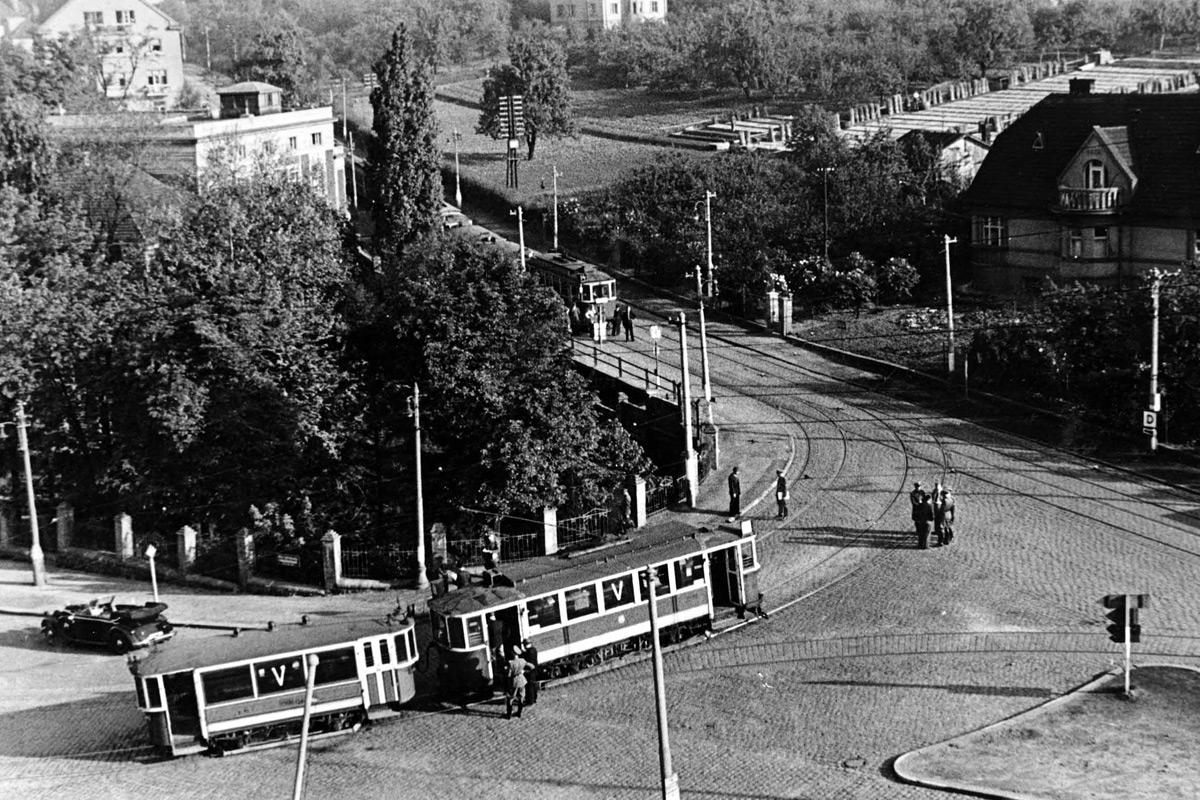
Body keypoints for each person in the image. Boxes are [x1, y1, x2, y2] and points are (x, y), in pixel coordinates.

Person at [505, 650, 529, 719]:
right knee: (521, 697)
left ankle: (509, 714)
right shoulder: (522, 660)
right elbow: (530, 666)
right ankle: (519, 713)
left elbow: (509, 675)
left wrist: (507, 669)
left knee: (511, 697)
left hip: (515, 681)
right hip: (522, 680)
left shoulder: (511, 663)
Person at [520, 639, 539, 705]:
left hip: (529, 671)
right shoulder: (534, 649)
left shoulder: (528, 652)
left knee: (529, 686)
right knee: (533, 685)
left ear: (525, 645)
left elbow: (526, 661)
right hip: (535, 670)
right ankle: (534, 699)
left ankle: (530, 701)